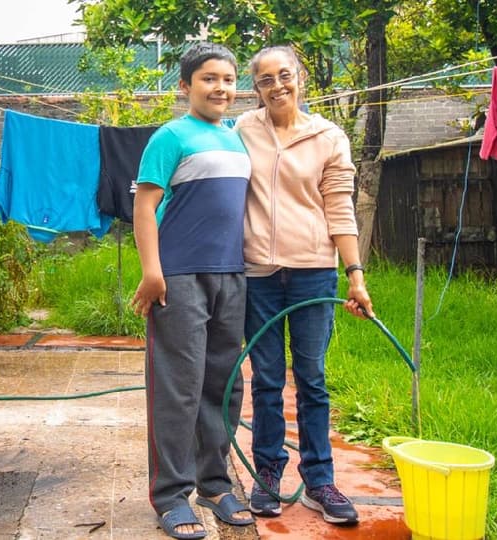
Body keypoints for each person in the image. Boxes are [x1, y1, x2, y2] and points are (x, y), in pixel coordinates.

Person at [234, 44, 374, 526]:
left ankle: (319, 480)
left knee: (311, 377)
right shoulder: (242, 132)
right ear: (255, 88)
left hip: (314, 270)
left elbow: (339, 207)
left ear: (301, 78)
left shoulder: (328, 136)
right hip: (258, 275)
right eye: (266, 79)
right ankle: (268, 474)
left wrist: (355, 275)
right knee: (268, 379)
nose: (277, 86)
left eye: (285, 75)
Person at [130, 42, 254, 540]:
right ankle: (170, 496)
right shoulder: (170, 136)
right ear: (184, 86)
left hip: (232, 275)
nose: (220, 87)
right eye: (208, 78)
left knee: (224, 384)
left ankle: (216, 484)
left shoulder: (236, 138)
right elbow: (144, 205)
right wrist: (152, 270)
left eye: (227, 78)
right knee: (178, 388)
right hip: (179, 277)